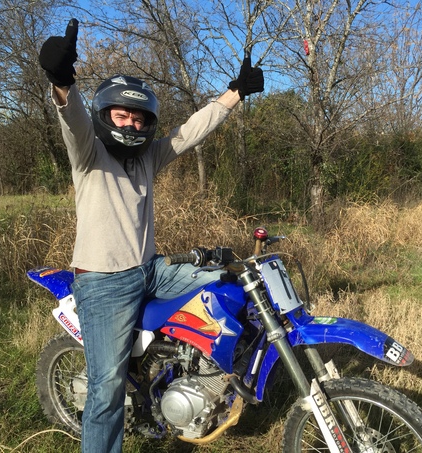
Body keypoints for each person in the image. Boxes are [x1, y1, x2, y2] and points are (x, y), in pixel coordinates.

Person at [38, 19, 264, 453]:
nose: (131, 124)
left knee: (227, 283)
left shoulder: (147, 157)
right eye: (122, 115)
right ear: (106, 115)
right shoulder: (90, 155)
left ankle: (195, 376)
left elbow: (190, 132)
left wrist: (235, 92)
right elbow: (73, 119)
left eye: (139, 118)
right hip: (103, 284)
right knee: (106, 389)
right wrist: (62, 81)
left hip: (151, 270)